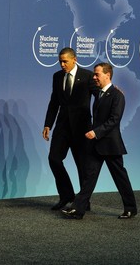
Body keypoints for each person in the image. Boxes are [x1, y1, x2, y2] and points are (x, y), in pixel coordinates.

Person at [62, 62, 138, 219]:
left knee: (120, 177)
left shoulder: (118, 96)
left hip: (110, 145)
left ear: (107, 75)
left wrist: (95, 133)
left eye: (97, 74)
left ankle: (131, 208)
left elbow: (114, 120)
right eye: (94, 74)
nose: (94, 77)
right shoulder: (98, 93)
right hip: (96, 145)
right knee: (89, 178)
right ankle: (78, 209)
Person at [43, 47, 98, 210]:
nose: (62, 64)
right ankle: (66, 195)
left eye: (65, 61)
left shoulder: (88, 76)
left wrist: (112, 93)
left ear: (75, 59)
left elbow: (99, 96)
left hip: (82, 129)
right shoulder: (57, 76)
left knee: (82, 165)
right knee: (54, 159)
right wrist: (48, 124)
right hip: (62, 127)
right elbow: (54, 102)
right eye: (60, 61)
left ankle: (83, 202)